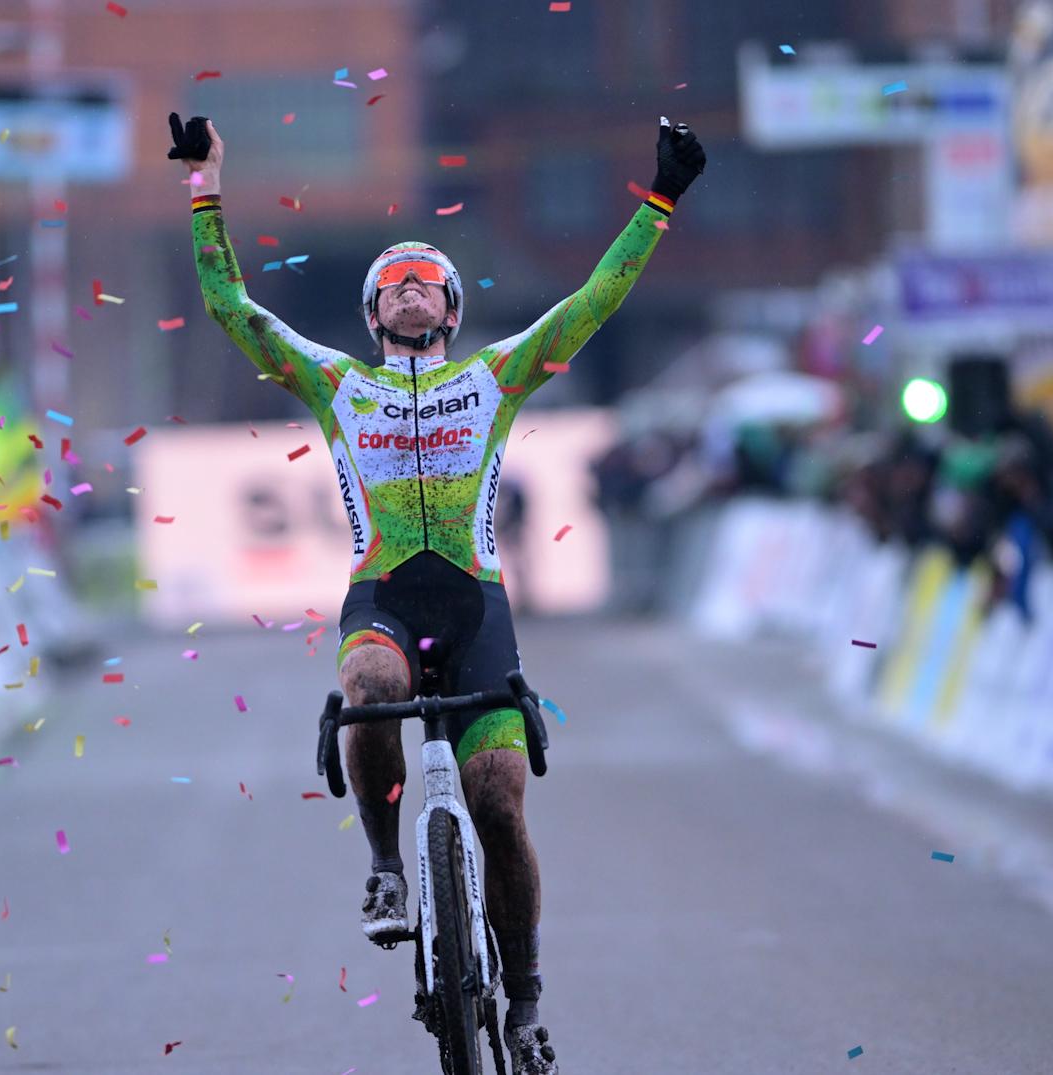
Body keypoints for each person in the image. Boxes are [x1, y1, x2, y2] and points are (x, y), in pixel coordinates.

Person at [172, 110, 704, 1075]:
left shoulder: (496, 378)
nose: (410, 294)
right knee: (368, 688)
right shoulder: (336, 384)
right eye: (393, 285)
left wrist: (657, 203)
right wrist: (206, 187)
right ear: (374, 314)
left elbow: (593, 302)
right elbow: (230, 310)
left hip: (477, 605)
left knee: (500, 801)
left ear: (452, 309)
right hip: (384, 593)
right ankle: (385, 868)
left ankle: (528, 998)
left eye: (428, 284)